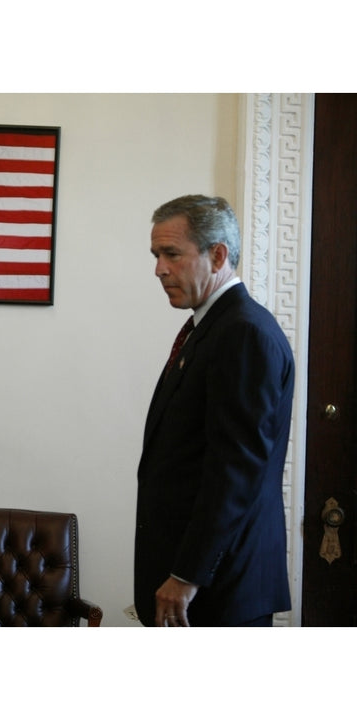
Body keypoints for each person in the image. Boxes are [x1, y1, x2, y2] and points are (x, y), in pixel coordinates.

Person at [134, 195, 294, 627]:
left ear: (217, 254)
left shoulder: (242, 332)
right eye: (156, 255)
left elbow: (236, 471)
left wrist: (187, 574)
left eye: (171, 254)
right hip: (201, 587)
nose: (159, 269)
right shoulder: (211, 327)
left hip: (217, 591)